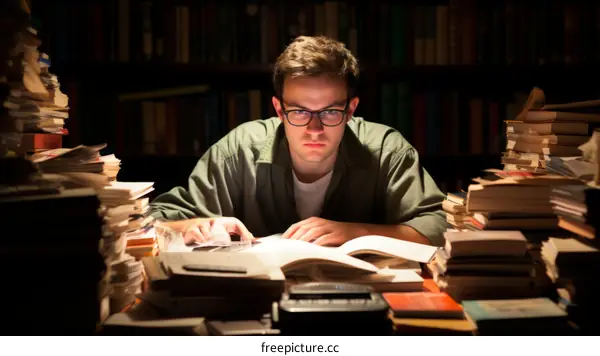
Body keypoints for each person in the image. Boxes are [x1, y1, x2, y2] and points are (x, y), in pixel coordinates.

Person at [147, 35, 448, 247]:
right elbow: (153, 223)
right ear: (279, 109)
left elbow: (436, 227)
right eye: (300, 112)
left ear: (350, 109)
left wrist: (356, 232)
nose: (314, 128)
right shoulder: (238, 151)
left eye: (330, 111)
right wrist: (196, 227)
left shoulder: (386, 149)